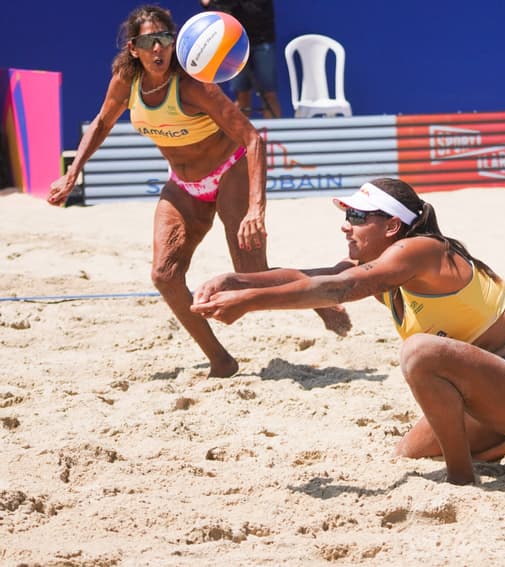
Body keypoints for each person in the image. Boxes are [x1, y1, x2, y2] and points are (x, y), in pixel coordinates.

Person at [190, 177, 505, 485]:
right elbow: (310, 277)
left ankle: (462, 479)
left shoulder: (421, 250)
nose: (346, 226)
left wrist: (249, 303)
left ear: (393, 225)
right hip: (496, 392)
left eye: (358, 217)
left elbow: (339, 289)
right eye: (347, 216)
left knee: (420, 352)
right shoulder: (389, 267)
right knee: (409, 452)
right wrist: (236, 281)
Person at [47, 5, 349, 377]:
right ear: (133, 48)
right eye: (148, 41)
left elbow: (253, 139)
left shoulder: (193, 86)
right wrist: (73, 172)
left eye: (165, 39)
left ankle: (321, 291)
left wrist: (257, 210)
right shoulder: (126, 83)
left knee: (251, 275)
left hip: (229, 171)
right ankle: (220, 360)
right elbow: (101, 123)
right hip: (184, 184)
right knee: (164, 275)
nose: (158, 49)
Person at [200, 0, 282, 118]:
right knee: (242, 94)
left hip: (262, 40)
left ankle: (274, 135)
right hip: (234, 44)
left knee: (269, 94)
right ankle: (242, 136)